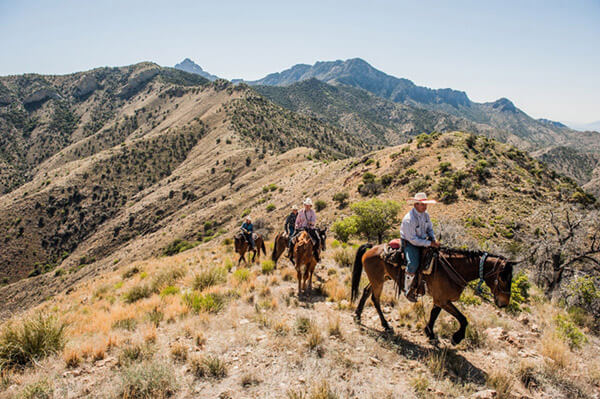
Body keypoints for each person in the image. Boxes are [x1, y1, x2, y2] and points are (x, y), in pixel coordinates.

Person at [400, 192, 440, 302]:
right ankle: (407, 290)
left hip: (423, 240)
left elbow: (429, 229)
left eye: (425, 204)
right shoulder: (409, 219)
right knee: (413, 264)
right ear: (415, 205)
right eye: (422, 204)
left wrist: (433, 239)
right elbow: (413, 239)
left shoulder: (425, 215)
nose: (425, 206)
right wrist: (429, 244)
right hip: (410, 243)